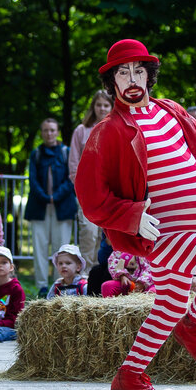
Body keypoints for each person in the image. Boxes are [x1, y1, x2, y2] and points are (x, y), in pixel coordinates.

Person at [76, 39, 196, 390]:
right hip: (161, 235)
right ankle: (194, 324)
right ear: (112, 80)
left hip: (193, 229)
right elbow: (90, 197)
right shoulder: (107, 131)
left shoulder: (169, 110)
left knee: (169, 304)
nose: (132, 78)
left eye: (139, 71)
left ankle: (129, 376)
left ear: (149, 75)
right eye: (123, 72)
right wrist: (130, 217)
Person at [25, 118, 77, 297]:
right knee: (39, 246)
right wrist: (45, 197)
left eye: (52, 130)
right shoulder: (36, 154)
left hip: (62, 207)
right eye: (46, 130)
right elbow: (32, 179)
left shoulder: (66, 152)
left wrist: (57, 196)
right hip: (39, 206)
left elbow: (71, 177)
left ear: (58, 132)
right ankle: (41, 284)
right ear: (42, 132)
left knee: (61, 246)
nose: (49, 133)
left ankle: (59, 283)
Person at [69, 90, 113, 274]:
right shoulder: (81, 131)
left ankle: (101, 276)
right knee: (88, 233)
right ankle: (84, 277)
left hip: (109, 193)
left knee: (105, 235)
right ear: (93, 107)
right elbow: (73, 162)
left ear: (111, 107)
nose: (102, 108)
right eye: (98, 105)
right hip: (87, 193)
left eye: (106, 105)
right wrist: (81, 187)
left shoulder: (115, 128)